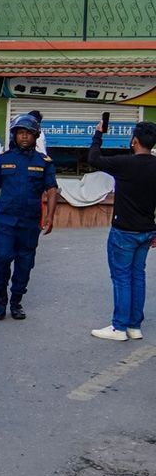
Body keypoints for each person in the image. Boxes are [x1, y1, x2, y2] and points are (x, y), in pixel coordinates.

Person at [0, 114, 58, 321]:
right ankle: (0, 300)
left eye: (28, 133)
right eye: (20, 133)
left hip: (30, 222)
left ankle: (16, 302)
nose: (24, 137)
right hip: (6, 220)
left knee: (25, 263)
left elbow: (51, 190)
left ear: (35, 136)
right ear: (14, 135)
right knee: (2, 258)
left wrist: (49, 217)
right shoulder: (4, 160)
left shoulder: (44, 162)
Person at [88, 121, 156, 342]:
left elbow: (93, 158)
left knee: (122, 278)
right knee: (138, 276)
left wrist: (99, 133)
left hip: (123, 231)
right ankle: (134, 326)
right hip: (146, 231)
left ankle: (119, 327)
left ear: (134, 141)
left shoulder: (124, 163)